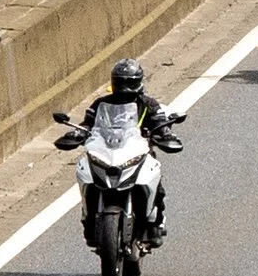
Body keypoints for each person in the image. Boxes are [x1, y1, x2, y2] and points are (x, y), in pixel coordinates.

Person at [75, 57, 183, 236]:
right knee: (88, 176)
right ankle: (89, 219)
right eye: (120, 81)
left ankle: (157, 222)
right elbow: (88, 123)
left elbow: (160, 121)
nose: (125, 86)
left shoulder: (148, 104)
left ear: (139, 82)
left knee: (157, 185)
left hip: (138, 152)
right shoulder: (101, 103)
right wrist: (78, 133)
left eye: (129, 82)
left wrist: (165, 134)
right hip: (108, 150)